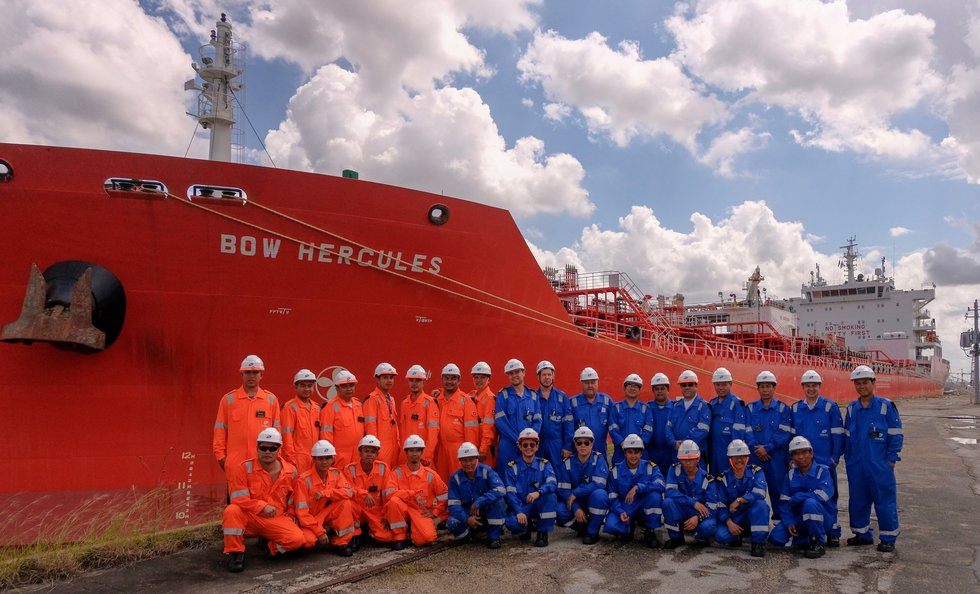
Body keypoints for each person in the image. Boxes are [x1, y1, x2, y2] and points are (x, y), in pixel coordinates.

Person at [221, 428, 306, 572]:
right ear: (257, 448)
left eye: (272, 448)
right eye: (263, 447)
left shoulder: (291, 471)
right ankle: (235, 553)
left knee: (298, 540)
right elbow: (237, 498)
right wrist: (261, 506)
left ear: (279, 449)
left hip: (276, 518)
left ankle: (270, 547)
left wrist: (291, 515)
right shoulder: (243, 468)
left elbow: (293, 498)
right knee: (232, 511)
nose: (267, 452)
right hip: (251, 517)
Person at [842, 365, 903, 553]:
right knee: (858, 499)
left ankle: (887, 537)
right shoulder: (852, 408)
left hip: (879, 463)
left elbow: (896, 434)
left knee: (884, 499)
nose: (861, 387)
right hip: (856, 463)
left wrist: (891, 459)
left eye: (865, 382)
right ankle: (862, 534)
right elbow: (846, 436)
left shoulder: (886, 406)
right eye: (858, 383)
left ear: (873, 383)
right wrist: (848, 458)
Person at [791, 369, 844, 547]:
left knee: (830, 497)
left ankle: (833, 531)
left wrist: (834, 458)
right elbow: (791, 436)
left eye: (814, 385)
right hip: (802, 464)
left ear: (819, 386)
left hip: (824, 462)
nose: (811, 389)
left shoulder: (830, 407)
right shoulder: (796, 408)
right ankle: (810, 528)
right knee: (808, 498)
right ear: (803, 387)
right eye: (808, 385)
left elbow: (837, 435)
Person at [768, 436, 836, 559]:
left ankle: (817, 543)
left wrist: (799, 496)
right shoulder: (791, 474)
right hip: (799, 518)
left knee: (810, 503)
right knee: (775, 538)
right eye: (796, 453)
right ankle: (804, 540)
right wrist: (789, 522)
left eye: (804, 452)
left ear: (811, 453)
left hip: (822, 517)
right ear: (792, 457)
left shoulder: (823, 471)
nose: (801, 457)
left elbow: (822, 496)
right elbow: (784, 503)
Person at [213, 355, 281, 473]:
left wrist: (275, 459)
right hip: (235, 465)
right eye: (248, 372)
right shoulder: (229, 400)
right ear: (242, 374)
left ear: (261, 375)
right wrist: (221, 458)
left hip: (262, 465)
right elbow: (220, 431)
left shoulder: (271, 400)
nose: (251, 376)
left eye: (255, 372)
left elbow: (277, 432)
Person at [294, 440, 358, 557]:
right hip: (310, 519)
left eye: (327, 458)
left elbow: (348, 492)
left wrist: (326, 493)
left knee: (345, 503)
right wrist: (319, 531)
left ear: (333, 459)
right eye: (320, 458)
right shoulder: (303, 480)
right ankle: (270, 545)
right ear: (314, 460)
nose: (324, 462)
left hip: (326, 514)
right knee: (308, 541)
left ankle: (341, 543)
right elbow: (302, 513)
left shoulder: (336, 474)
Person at [385, 435, 449, 549]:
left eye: (418, 450)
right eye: (411, 450)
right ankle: (399, 537)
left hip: (421, 511)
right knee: (394, 502)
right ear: (406, 452)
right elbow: (389, 493)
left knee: (427, 538)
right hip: (403, 508)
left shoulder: (430, 474)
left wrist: (435, 513)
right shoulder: (396, 472)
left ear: (422, 452)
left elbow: (444, 495)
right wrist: (410, 494)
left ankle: (414, 529)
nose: (415, 453)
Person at [603, 434, 665, 548]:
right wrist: (620, 511)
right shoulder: (615, 471)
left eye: (636, 452)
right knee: (611, 526)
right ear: (625, 453)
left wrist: (638, 487)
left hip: (643, 505)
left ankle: (650, 530)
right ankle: (628, 526)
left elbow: (661, 484)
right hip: (626, 507)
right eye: (630, 452)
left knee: (655, 496)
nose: (633, 456)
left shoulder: (651, 467)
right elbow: (611, 496)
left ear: (641, 453)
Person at [746, 370, 792, 522]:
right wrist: (757, 448)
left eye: (768, 386)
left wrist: (767, 448)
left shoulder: (783, 409)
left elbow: (784, 433)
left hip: (776, 458)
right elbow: (747, 431)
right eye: (762, 386)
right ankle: (750, 524)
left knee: (778, 490)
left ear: (774, 388)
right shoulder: (750, 409)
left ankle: (780, 523)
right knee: (752, 490)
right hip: (755, 457)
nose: (765, 390)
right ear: (757, 389)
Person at [713, 439, 770, 557]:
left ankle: (758, 543)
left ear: (747, 458)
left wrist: (740, 500)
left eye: (742, 456)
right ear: (730, 459)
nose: (739, 460)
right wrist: (729, 523)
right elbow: (720, 504)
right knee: (720, 536)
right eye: (735, 457)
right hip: (735, 518)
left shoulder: (756, 472)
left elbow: (760, 492)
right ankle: (737, 534)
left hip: (751, 514)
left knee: (761, 505)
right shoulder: (723, 478)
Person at [503, 428, 558, 547]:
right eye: (525, 444)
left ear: (537, 446)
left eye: (532, 444)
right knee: (512, 523)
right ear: (520, 446)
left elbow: (553, 484)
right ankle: (525, 527)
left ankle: (542, 533)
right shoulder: (512, 467)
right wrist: (518, 511)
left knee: (550, 497)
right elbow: (510, 493)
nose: (529, 447)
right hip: (522, 507)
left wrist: (539, 492)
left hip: (540, 505)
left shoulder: (545, 464)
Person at [446, 442, 507, 549]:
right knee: (452, 523)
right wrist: (467, 519)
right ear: (460, 461)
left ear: (477, 458)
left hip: (485, 509)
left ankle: (494, 537)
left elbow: (501, 490)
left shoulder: (486, 471)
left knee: (499, 502)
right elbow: (453, 505)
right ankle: (470, 535)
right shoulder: (455, 478)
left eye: (471, 460)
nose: (468, 463)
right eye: (464, 460)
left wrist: (480, 501)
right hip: (468, 513)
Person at [556, 426, 610, 545]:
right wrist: (575, 508)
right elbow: (564, 491)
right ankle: (582, 527)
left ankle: (592, 532)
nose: (583, 446)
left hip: (592, 499)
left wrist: (576, 493)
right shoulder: (567, 463)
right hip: (575, 502)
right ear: (575, 444)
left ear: (592, 443)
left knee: (601, 495)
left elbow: (599, 484)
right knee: (559, 510)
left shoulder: (599, 459)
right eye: (579, 442)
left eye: (586, 442)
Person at [662, 440, 719, 549]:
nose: (687, 463)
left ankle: (701, 537)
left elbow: (712, 507)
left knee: (709, 526)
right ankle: (676, 538)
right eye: (684, 460)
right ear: (679, 459)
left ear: (698, 459)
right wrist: (693, 503)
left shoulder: (708, 479)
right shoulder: (674, 470)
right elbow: (669, 492)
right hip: (683, 508)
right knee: (667, 503)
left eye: (691, 459)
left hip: (699, 513)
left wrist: (697, 518)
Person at [344, 435, 397, 549]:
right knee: (346, 505)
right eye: (366, 451)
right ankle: (356, 533)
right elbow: (348, 490)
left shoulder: (383, 468)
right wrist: (364, 494)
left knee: (386, 537)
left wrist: (387, 515)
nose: (369, 454)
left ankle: (369, 530)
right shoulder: (349, 469)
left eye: (372, 452)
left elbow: (388, 493)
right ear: (360, 452)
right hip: (356, 509)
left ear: (377, 454)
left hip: (375, 510)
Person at [494, 359, 542, 475]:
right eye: (511, 373)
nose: (514, 375)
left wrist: (529, 439)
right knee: (506, 476)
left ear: (524, 372)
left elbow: (538, 420)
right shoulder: (503, 395)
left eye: (517, 372)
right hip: (508, 445)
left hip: (528, 446)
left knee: (528, 476)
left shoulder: (533, 396)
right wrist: (519, 439)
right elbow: (501, 422)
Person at [433, 363, 479, 481]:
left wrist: (469, 454)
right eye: (446, 378)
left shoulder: (466, 401)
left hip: (458, 450)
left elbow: (471, 431)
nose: (449, 381)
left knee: (460, 480)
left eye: (453, 378)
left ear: (459, 380)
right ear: (442, 379)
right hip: (440, 450)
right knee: (441, 481)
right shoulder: (436, 400)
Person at [319, 369, 365, 470]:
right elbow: (326, 435)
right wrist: (330, 456)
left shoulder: (359, 405)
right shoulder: (330, 407)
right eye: (344, 386)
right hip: (339, 460)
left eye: (351, 385)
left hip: (357, 458)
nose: (349, 389)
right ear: (337, 388)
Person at [707, 367, 749, 474]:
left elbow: (738, 433)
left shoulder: (737, 404)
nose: (721, 388)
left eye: (724, 384)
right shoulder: (712, 404)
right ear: (714, 385)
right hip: (713, 452)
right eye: (718, 384)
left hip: (728, 453)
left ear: (730, 384)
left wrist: (735, 454)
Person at [665, 370, 711, 464]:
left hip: (695, 457)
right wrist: (673, 443)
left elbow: (702, 430)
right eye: (683, 385)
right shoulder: (675, 406)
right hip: (677, 455)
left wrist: (684, 445)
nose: (687, 387)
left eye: (690, 384)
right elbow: (668, 428)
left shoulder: (703, 406)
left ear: (696, 386)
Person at [280, 369, 321, 474]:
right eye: (303, 385)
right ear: (296, 387)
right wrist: (291, 461)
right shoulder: (289, 407)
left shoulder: (317, 408)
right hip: (297, 460)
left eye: (310, 385)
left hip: (316, 459)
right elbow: (286, 436)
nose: (307, 389)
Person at [534, 360, 573, 467]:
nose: (547, 377)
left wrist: (567, 446)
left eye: (549, 374)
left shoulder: (562, 397)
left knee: (558, 473)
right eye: (544, 375)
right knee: (538, 472)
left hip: (557, 445)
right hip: (538, 445)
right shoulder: (533, 397)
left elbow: (568, 424)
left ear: (553, 376)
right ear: (538, 377)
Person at [398, 364, 439, 467]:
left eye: (418, 380)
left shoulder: (430, 402)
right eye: (411, 380)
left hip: (422, 455)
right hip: (406, 454)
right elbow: (402, 431)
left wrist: (427, 455)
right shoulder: (404, 403)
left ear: (423, 382)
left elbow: (433, 432)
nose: (414, 383)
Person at [362, 363, 401, 468]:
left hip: (394, 449)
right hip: (380, 450)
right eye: (385, 377)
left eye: (391, 378)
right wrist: (374, 449)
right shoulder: (372, 399)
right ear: (377, 380)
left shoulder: (391, 399)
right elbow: (370, 428)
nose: (389, 380)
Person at [609, 374, 653, 465]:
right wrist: (623, 444)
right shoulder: (616, 408)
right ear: (624, 388)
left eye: (636, 386)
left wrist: (638, 446)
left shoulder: (646, 409)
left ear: (639, 390)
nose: (632, 388)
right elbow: (613, 428)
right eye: (630, 385)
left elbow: (649, 428)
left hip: (640, 454)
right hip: (620, 454)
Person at [569, 367, 612, 457]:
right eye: (586, 383)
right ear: (581, 383)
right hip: (579, 452)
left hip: (601, 451)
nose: (590, 385)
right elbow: (567, 428)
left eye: (593, 382)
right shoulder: (572, 402)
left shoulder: (607, 401)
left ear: (597, 383)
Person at [469, 361, 497, 467]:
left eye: (482, 377)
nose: (479, 380)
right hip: (474, 442)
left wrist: (483, 449)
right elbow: (457, 397)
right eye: (476, 377)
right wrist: (441, 392)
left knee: (484, 475)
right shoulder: (472, 395)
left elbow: (488, 427)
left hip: (485, 447)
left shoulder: (490, 399)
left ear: (488, 379)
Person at [647, 373, 675, 476]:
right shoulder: (647, 408)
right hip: (653, 452)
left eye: (662, 388)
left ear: (668, 390)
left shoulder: (676, 407)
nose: (659, 391)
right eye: (656, 389)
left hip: (671, 453)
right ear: (653, 391)